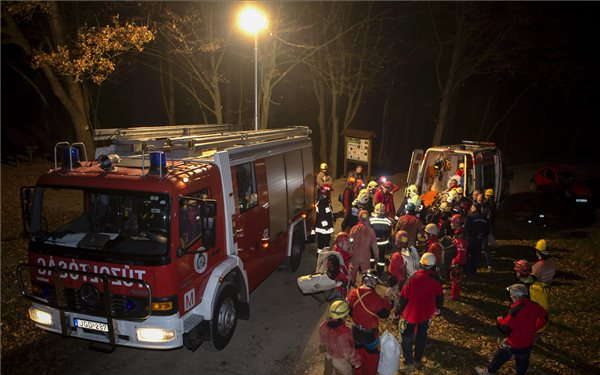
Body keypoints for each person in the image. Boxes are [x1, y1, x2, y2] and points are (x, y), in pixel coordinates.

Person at [475, 284, 548, 375]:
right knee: (522, 361)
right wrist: (535, 328)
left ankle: (489, 372)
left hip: (514, 342)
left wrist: (499, 320)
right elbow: (545, 317)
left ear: (515, 296)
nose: (511, 297)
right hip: (528, 341)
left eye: (511, 295)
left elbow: (505, 328)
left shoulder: (516, 309)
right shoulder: (534, 305)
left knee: (500, 356)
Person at [396, 253, 443, 373]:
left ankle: (408, 362)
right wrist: (438, 308)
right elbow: (439, 296)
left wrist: (397, 311)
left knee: (406, 337)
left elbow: (403, 297)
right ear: (434, 266)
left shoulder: (413, 277)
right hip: (425, 313)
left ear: (421, 264)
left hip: (410, 314)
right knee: (421, 336)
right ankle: (417, 360)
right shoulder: (436, 279)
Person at [347, 272, 391, 375]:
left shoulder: (353, 293)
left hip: (356, 332)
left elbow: (349, 311)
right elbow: (384, 314)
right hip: (370, 335)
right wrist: (386, 299)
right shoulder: (375, 298)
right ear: (374, 283)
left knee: (358, 357)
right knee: (372, 359)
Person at [319, 300, 362, 375]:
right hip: (340, 360)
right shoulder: (344, 332)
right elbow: (348, 351)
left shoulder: (324, 325)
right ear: (344, 315)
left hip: (329, 356)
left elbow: (322, 341)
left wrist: (324, 350)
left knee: (329, 372)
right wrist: (356, 361)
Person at [513, 259, 550, 332]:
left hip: (536, 323)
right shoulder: (536, 282)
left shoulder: (525, 288)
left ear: (519, 272)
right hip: (544, 318)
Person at [349, 210, 379, 285]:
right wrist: (376, 256)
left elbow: (350, 243)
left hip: (354, 255)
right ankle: (363, 286)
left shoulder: (354, 229)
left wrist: (349, 253)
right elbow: (374, 245)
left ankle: (351, 284)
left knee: (352, 271)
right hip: (365, 256)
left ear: (359, 218)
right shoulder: (371, 231)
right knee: (365, 273)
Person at [465, 203, 491, 274]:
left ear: (475, 208)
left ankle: (469, 270)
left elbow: (467, 228)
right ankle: (474, 270)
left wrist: (474, 235)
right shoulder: (484, 217)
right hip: (480, 239)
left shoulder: (470, 216)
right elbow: (488, 228)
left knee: (469, 254)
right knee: (476, 255)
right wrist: (482, 235)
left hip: (472, 238)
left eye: (472, 207)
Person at [369, 203, 393, 275]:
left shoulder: (370, 220)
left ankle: (371, 269)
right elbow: (389, 234)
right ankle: (379, 272)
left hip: (372, 243)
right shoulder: (388, 221)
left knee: (371, 257)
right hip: (383, 244)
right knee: (381, 258)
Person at [450, 214, 468, 301]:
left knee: (455, 279)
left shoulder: (461, 237)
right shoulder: (459, 233)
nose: (451, 224)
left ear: (457, 223)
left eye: (452, 222)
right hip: (458, 260)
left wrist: (455, 262)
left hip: (458, 262)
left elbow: (461, 254)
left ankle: (455, 296)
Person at [315, 185, 335, 252]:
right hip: (323, 229)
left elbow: (328, 214)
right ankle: (320, 257)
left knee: (326, 243)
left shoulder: (326, 202)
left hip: (326, 229)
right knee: (321, 244)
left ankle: (326, 254)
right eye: (329, 192)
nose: (330, 194)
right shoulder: (322, 203)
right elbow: (321, 217)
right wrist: (326, 226)